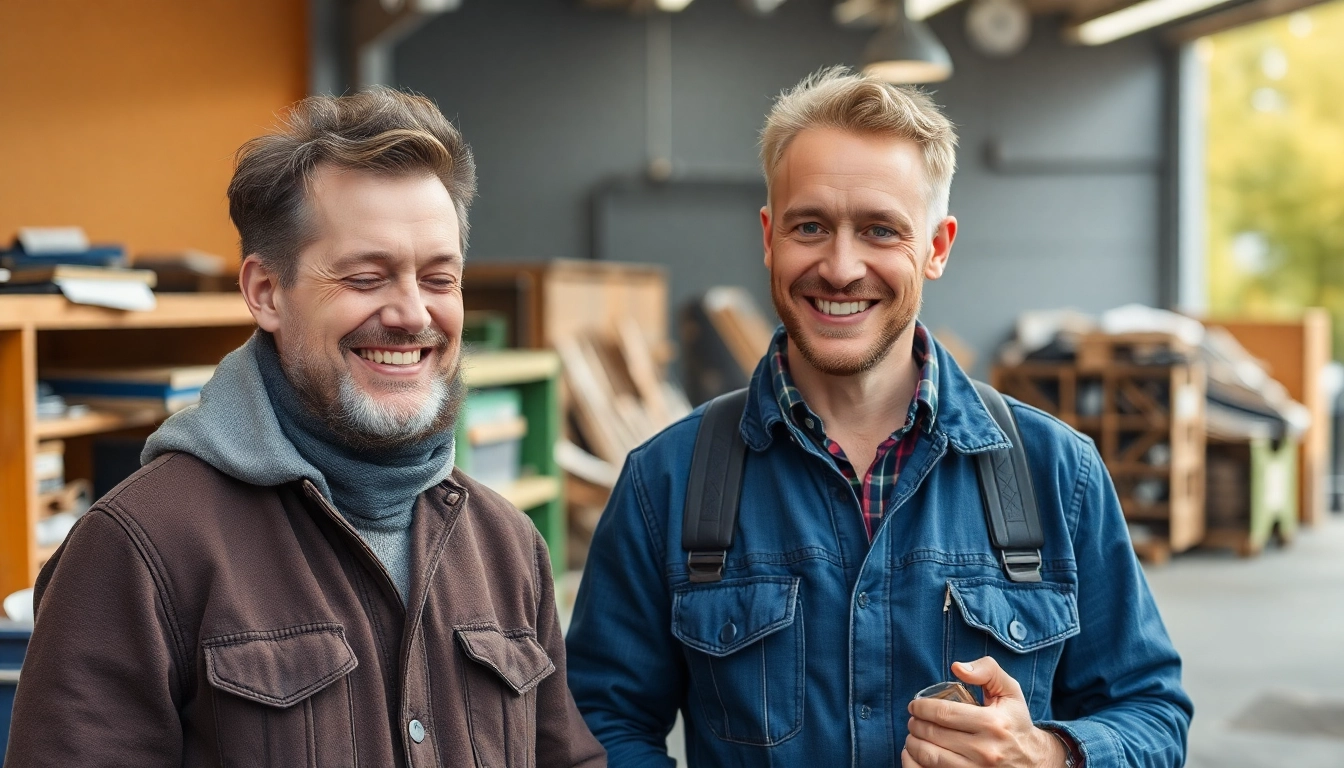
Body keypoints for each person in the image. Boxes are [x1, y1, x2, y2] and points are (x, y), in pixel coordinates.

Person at [565, 67, 1192, 768]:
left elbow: (1152, 716)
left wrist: (1050, 754)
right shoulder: (667, 483)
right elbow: (598, 727)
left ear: (937, 247)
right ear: (769, 237)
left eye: (879, 230)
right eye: (811, 226)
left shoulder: (1057, 475)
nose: (839, 266)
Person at [7, 88, 605, 768]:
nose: (412, 313)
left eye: (439, 278)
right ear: (265, 292)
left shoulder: (508, 545)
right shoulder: (139, 550)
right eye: (365, 276)